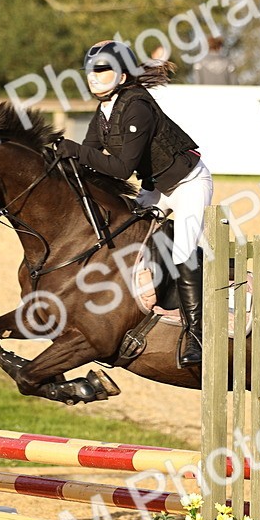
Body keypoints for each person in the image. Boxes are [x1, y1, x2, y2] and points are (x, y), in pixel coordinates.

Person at [57, 40, 214, 367]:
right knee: (122, 234)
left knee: (183, 251)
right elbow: (89, 161)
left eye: (102, 69)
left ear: (123, 75)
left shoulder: (137, 106)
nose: (94, 76)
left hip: (188, 184)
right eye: (90, 70)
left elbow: (120, 168)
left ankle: (196, 337)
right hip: (156, 187)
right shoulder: (103, 112)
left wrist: (72, 149)